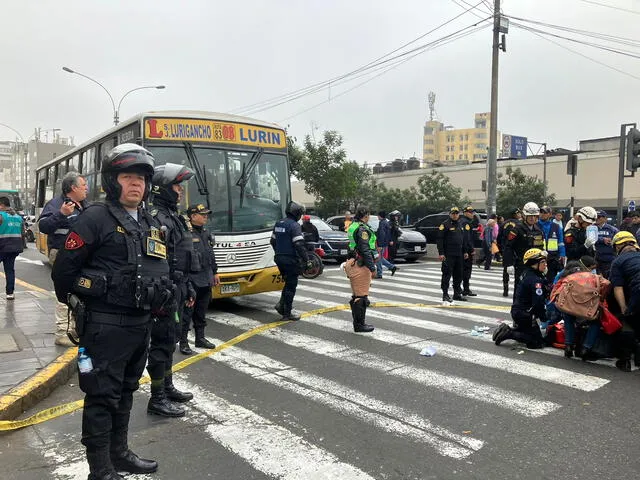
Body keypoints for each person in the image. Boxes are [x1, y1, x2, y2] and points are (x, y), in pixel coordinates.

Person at [51, 144, 173, 480]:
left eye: (142, 179)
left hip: (140, 324)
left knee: (125, 392)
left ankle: (119, 454)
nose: (136, 184)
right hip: (105, 327)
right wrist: (85, 302)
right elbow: (64, 273)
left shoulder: (149, 222)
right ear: (112, 181)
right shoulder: (94, 218)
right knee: (101, 398)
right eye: (128, 177)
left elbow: (160, 267)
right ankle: (100, 469)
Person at [147, 163, 197, 417]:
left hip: (177, 287)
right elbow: (156, 260)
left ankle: (167, 387)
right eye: (176, 186)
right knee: (160, 343)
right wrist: (166, 290)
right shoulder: (156, 217)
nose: (180, 191)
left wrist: (187, 286)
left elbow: (183, 255)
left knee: (169, 341)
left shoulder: (173, 216)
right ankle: (156, 398)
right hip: (164, 291)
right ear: (162, 188)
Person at [38, 171, 89, 346]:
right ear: (73, 187)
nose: (86, 188)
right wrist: (61, 214)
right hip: (61, 253)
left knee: (80, 290)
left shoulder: (84, 205)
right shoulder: (56, 204)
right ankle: (62, 331)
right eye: (84, 185)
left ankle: (74, 328)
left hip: (81, 255)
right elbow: (43, 226)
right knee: (64, 289)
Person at [180, 204, 218, 354]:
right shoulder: (185, 234)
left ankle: (200, 338)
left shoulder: (206, 233)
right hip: (192, 279)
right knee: (187, 313)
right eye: (203, 214)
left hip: (206, 278)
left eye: (206, 214)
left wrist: (215, 272)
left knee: (201, 312)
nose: (205, 217)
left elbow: (211, 254)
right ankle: (183, 342)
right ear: (193, 216)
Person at [493, 248, 549, 349]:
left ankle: (509, 329)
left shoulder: (527, 273)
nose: (545, 264)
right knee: (536, 342)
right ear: (534, 263)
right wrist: (544, 317)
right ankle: (509, 333)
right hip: (525, 314)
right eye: (543, 262)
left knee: (530, 332)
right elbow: (538, 303)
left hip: (519, 311)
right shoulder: (535, 280)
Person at [271, 201, 311, 321]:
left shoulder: (279, 223)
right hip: (290, 259)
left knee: (288, 283)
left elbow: (272, 241)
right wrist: (307, 260)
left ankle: (281, 305)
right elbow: (299, 244)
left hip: (279, 258)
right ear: (297, 213)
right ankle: (287, 314)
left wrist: (279, 252)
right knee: (291, 286)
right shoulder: (294, 225)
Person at [344, 205, 376, 332]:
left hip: (352, 262)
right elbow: (365, 249)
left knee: (356, 295)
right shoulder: (362, 229)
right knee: (361, 297)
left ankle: (358, 323)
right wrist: (372, 267)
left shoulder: (353, 226)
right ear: (366, 216)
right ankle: (359, 325)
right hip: (360, 264)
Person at [503, 202, 545, 296]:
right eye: (530, 216)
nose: (532, 218)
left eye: (535, 216)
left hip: (535, 266)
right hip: (521, 265)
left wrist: (543, 262)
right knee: (519, 290)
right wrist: (509, 264)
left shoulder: (538, 231)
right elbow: (508, 247)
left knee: (534, 290)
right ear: (524, 215)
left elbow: (540, 248)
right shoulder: (516, 229)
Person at [437, 206, 471, 303]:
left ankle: (457, 294)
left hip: (459, 254)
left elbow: (463, 239)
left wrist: (465, 251)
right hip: (448, 254)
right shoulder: (445, 225)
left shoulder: (460, 224)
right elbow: (440, 240)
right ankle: (445, 294)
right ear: (450, 214)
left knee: (458, 275)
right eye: (453, 213)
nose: (455, 215)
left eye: (456, 213)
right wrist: (441, 253)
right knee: (447, 275)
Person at [609, 231, 640, 339]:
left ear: (617, 247)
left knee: (631, 318)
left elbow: (618, 288)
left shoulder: (618, 261)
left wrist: (624, 309)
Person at [0, 197, 24, 300]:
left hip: (2, 247)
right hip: (14, 248)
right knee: (9, 270)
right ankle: (10, 293)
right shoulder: (19, 218)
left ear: (1, 205)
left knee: (9, 270)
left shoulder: (1, 216)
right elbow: (23, 234)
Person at [537, 206, 566, 282]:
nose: (542, 214)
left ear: (550, 214)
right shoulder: (535, 225)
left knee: (551, 281)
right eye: (541, 212)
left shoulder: (556, 227)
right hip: (538, 257)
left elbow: (560, 242)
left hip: (552, 258)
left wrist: (562, 254)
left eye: (545, 213)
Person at [498, 208, 521, 297]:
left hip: (505, 250)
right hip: (516, 251)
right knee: (518, 271)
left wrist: (501, 250)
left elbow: (499, 238)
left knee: (505, 270)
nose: (520, 215)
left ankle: (505, 289)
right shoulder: (519, 224)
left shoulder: (503, 224)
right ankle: (517, 290)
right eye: (518, 213)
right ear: (515, 214)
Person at [594, 210, 618, 278]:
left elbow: (618, 239)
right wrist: (602, 240)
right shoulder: (591, 228)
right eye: (596, 217)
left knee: (609, 277)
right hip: (595, 258)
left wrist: (613, 241)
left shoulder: (612, 229)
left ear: (605, 218)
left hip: (609, 258)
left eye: (599, 217)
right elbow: (588, 238)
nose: (597, 219)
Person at [460, 206, 477, 296]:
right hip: (465, 250)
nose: (472, 214)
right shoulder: (465, 223)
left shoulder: (465, 222)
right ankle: (464, 289)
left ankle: (465, 289)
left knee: (465, 270)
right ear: (465, 213)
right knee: (466, 270)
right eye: (470, 212)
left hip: (464, 249)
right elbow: (466, 238)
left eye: (472, 212)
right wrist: (470, 249)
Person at [375, 211, 397, 278]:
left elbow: (382, 234)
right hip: (385, 243)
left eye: (378, 215)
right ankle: (392, 267)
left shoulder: (382, 223)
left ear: (380, 216)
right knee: (380, 258)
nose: (377, 217)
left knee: (378, 258)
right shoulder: (386, 222)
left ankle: (379, 274)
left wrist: (380, 245)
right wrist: (389, 240)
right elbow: (388, 233)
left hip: (381, 244)